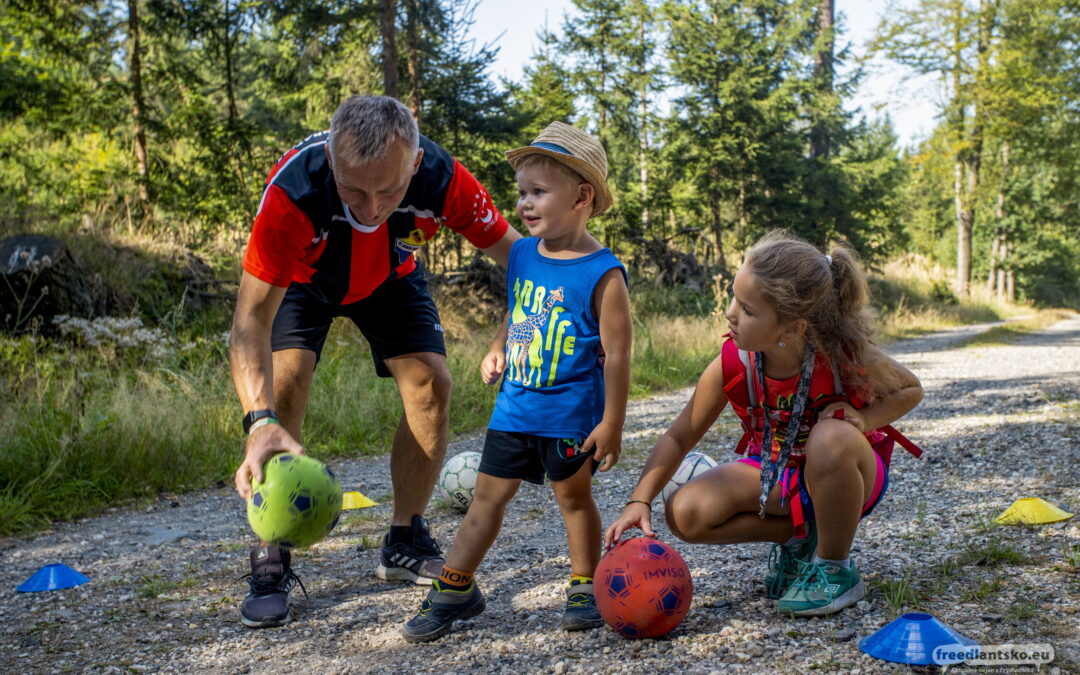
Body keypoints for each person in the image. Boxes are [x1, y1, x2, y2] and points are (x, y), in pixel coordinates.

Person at [229, 95, 520, 628]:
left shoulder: (444, 179)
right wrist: (259, 419)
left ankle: (405, 539)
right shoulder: (294, 191)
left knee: (432, 383)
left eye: (389, 190)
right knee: (286, 384)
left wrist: (517, 328)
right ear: (332, 162)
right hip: (305, 282)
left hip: (390, 276)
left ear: (414, 164)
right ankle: (272, 551)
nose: (369, 208)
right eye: (353, 189)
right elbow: (250, 320)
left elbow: (523, 260)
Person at [604, 231, 924, 617]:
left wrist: (865, 418)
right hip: (778, 474)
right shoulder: (734, 362)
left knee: (832, 437)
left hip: (848, 475)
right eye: (735, 298)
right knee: (684, 513)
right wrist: (639, 500)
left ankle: (834, 568)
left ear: (793, 328)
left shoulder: (842, 354)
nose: (730, 313)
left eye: (749, 310)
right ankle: (801, 538)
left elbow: (910, 389)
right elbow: (679, 434)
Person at [400, 122, 633, 642]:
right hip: (515, 407)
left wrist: (612, 423)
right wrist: (500, 345)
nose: (524, 205)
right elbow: (523, 310)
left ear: (582, 196)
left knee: (573, 499)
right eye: (522, 193)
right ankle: (456, 586)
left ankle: (583, 583)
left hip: (571, 414)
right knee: (486, 498)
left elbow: (617, 353)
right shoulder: (525, 253)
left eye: (538, 192)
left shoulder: (604, 273)